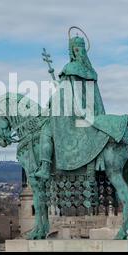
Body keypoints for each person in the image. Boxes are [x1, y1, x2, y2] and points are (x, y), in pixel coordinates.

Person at [35, 34, 107, 179]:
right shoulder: (91, 72)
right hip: (90, 112)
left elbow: (63, 93)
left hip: (71, 114)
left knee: (46, 132)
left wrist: (51, 100)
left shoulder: (70, 68)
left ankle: (45, 168)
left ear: (72, 51)